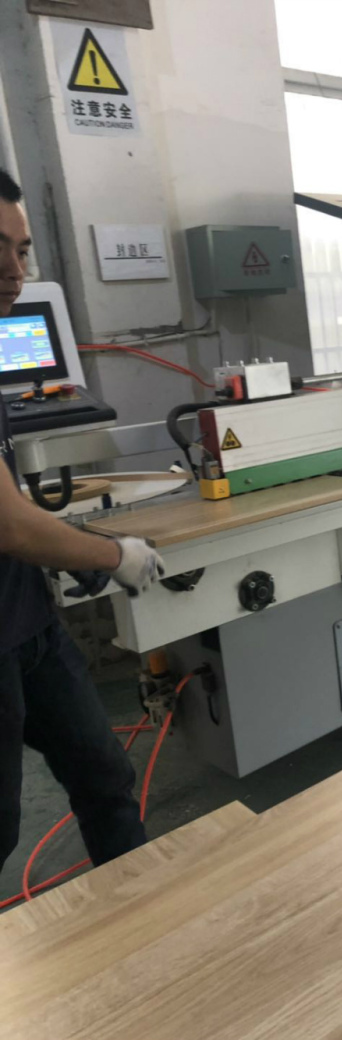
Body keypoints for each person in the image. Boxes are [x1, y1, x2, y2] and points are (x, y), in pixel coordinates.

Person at [0, 169, 164, 875]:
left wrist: (68, 547)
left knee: (103, 775)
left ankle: (138, 914)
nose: (14, 272)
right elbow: (9, 526)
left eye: (22, 250)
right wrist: (113, 556)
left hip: (28, 625)